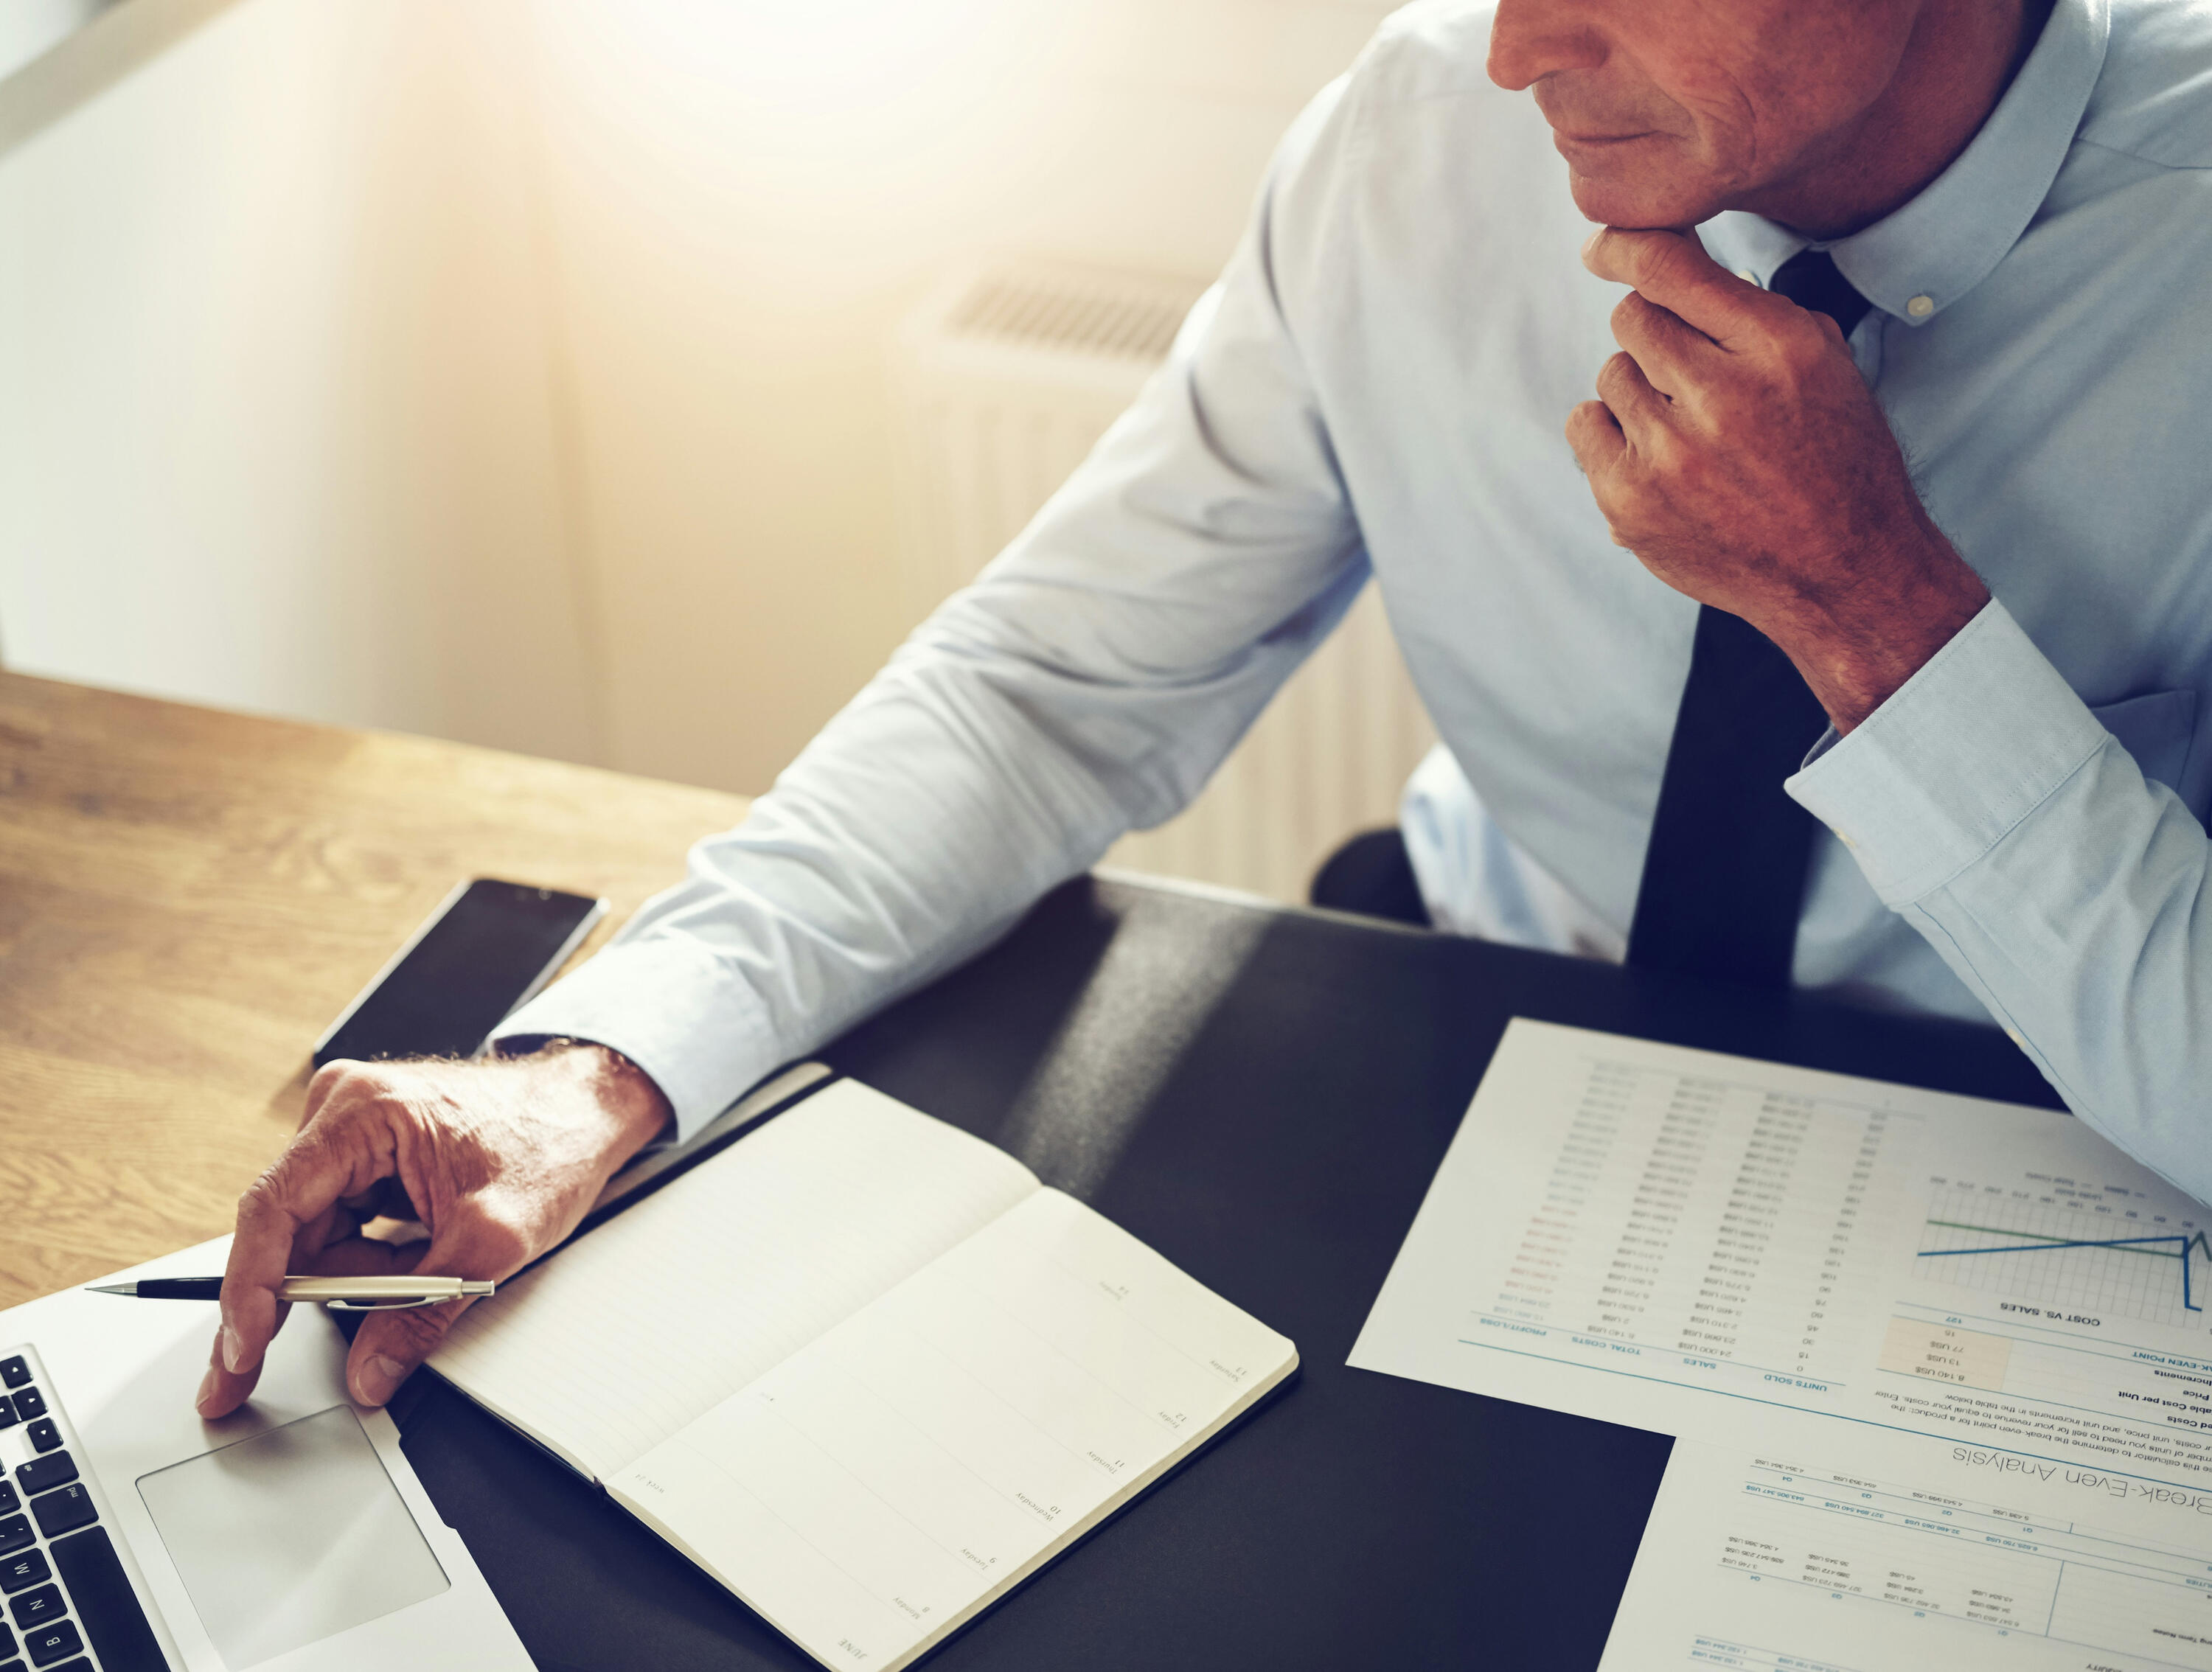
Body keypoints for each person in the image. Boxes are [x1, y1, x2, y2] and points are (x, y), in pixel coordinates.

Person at [198, 0, 2212, 1419]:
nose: (1515, 46)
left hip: (2046, 1191)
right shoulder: (1418, 139)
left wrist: (1887, 617)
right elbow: (1049, 687)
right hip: (1487, 1037)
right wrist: (607, 1064)